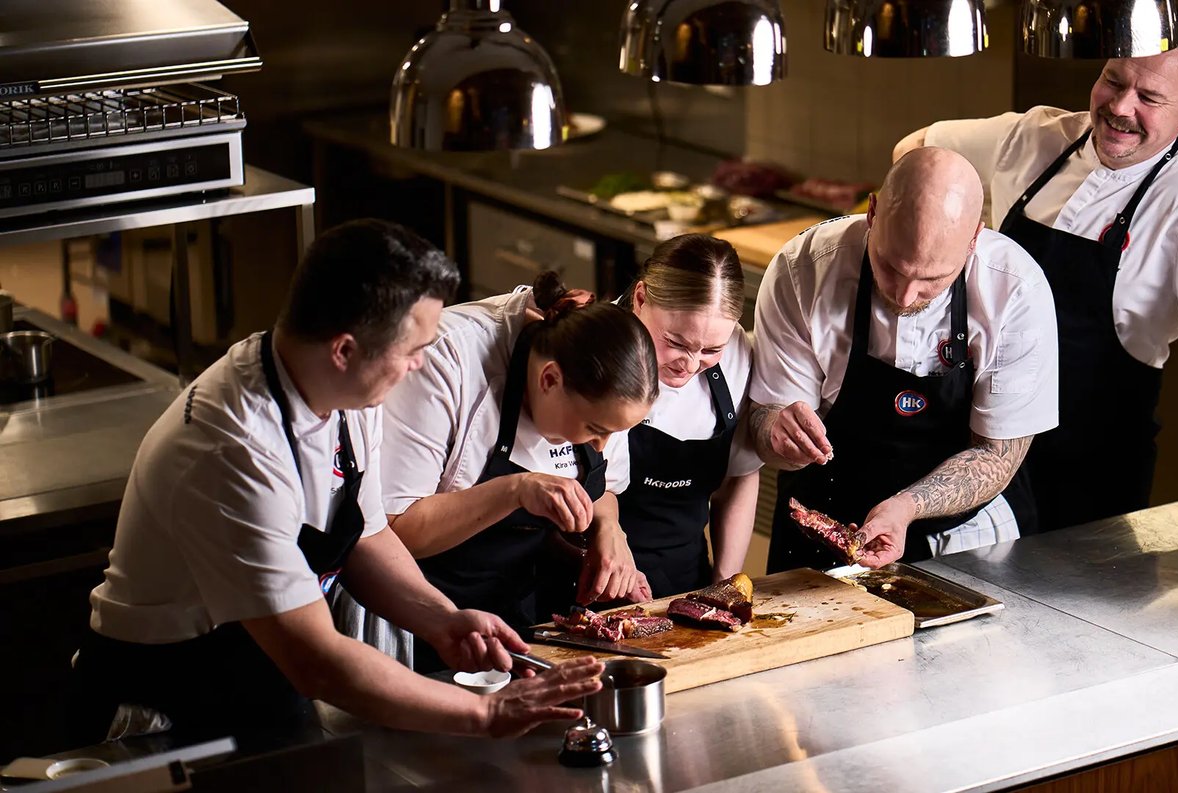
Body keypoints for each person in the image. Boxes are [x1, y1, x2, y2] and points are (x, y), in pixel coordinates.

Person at [70, 220, 602, 745]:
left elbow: (366, 534)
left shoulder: (346, 396)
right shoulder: (234, 449)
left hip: (261, 681)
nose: (420, 365)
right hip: (167, 705)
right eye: (412, 350)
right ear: (344, 350)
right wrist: (484, 714)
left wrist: (443, 620)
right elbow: (316, 662)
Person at [893, 10, 1178, 559]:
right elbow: (916, 148)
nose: (1120, 107)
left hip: (1087, 476)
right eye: (1114, 80)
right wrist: (945, 238)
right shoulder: (1033, 137)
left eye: (1149, 97)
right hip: (973, 455)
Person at [748, 148, 1059, 572]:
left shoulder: (1016, 291)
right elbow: (766, 417)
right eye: (890, 266)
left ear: (974, 238)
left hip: (964, 537)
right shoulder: (804, 269)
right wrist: (775, 434)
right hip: (822, 521)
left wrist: (906, 507)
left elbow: (996, 455)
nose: (905, 295)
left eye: (933, 279)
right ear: (872, 213)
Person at [379, 271, 657, 665]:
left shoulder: (609, 382)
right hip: (420, 620)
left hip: (520, 611)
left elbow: (604, 489)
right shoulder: (445, 361)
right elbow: (395, 528)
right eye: (595, 430)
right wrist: (515, 490)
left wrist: (609, 529)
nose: (601, 445)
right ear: (549, 379)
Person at [617, 234, 762, 596]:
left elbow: (739, 476)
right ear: (640, 298)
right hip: (588, 573)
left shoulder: (737, 356)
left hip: (685, 572)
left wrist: (723, 584)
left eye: (711, 349)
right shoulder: (597, 349)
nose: (691, 365)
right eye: (676, 342)